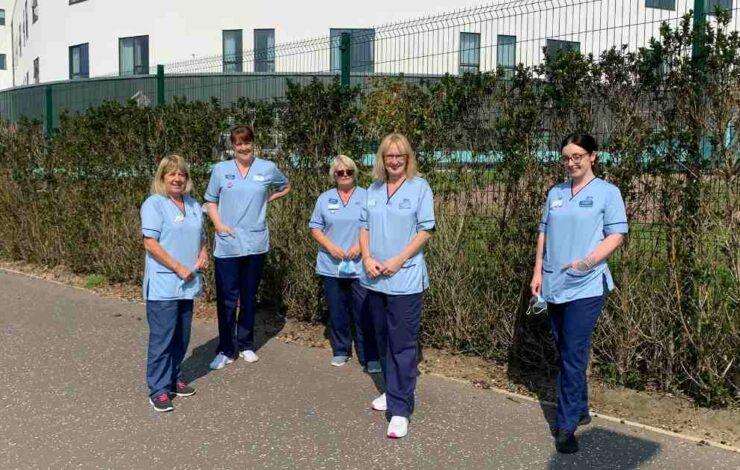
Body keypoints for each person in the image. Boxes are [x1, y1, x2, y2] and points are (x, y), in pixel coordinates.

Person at [530, 133, 628, 454]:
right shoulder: (555, 193)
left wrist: (587, 262)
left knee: (572, 354)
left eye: (578, 156)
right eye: (567, 157)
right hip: (554, 284)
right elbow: (544, 232)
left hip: (586, 286)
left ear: (593, 157)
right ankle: (581, 407)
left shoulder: (607, 193)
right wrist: (537, 272)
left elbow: (617, 235)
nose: (571, 163)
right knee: (566, 351)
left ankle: (566, 425)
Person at [360, 133, 435, 439]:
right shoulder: (373, 189)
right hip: (375, 279)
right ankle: (392, 391)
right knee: (382, 341)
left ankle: (401, 409)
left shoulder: (420, 188)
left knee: (403, 346)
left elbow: (426, 229)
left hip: (405, 279)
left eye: (399, 156)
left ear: (407, 159)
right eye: (389, 156)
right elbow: (364, 226)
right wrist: (366, 257)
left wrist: (398, 259)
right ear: (382, 158)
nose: (393, 161)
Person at [204, 125, 292, 370]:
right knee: (227, 299)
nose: (243, 147)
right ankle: (225, 348)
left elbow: (285, 186)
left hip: (255, 244)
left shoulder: (267, 168)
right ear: (232, 146)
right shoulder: (220, 171)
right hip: (228, 244)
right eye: (238, 143)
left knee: (249, 296)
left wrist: (269, 198)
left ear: (254, 143)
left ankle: (246, 344)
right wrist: (219, 225)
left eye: (247, 142)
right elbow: (210, 201)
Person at [140, 154, 208, 412]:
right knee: (162, 338)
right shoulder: (154, 204)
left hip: (188, 283)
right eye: (172, 174)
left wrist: (203, 253)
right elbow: (150, 243)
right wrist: (178, 267)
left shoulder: (192, 204)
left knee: (182, 335)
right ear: (162, 178)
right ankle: (158, 388)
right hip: (164, 284)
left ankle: (173, 377)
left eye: (182, 174)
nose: (177, 178)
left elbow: (200, 235)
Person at [309, 155, 381, 372]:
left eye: (349, 171)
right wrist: (330, 247)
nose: (345, 175)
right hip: (332, 265)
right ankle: (341, 350)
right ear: (334, 175)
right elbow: (315, 227)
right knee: (337, 310)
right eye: (340, 172)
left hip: (361, 266)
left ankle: (370, 356)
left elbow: (375, 224)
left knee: (365, 312)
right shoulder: (324, 198)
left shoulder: (367, 196)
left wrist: (361, 247)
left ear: (354, 172)